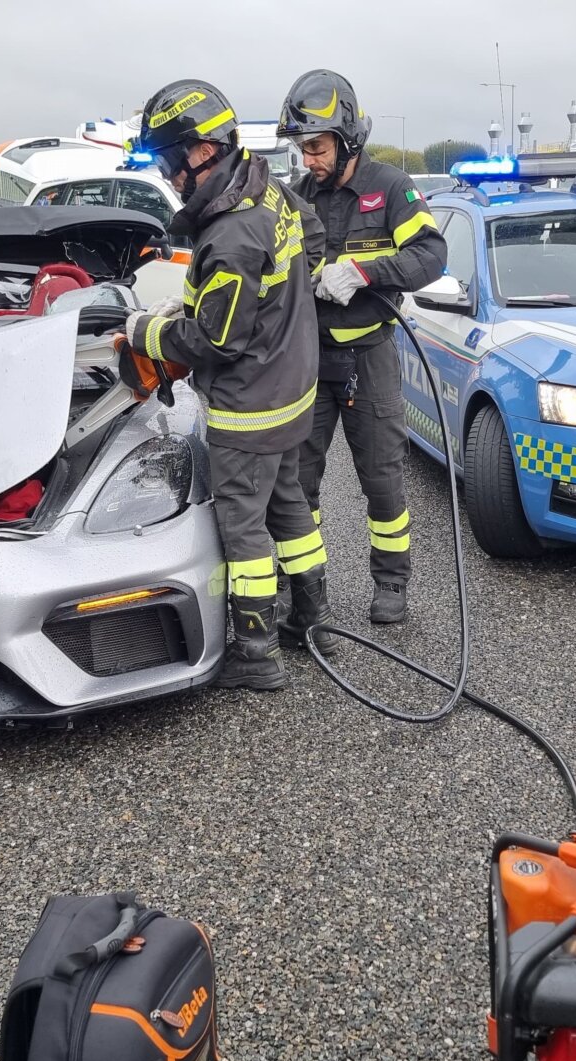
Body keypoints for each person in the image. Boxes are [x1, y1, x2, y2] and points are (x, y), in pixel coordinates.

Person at [123, 79, 335, 691]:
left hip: (251, 407)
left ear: (199, 153)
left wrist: (145, 332)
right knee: (289, 502)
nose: (168, 176)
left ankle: (256, 651)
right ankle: (313, 617)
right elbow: (312, 240)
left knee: (244, 526)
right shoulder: (271, 192)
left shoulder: (232, 235)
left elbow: (216, 342)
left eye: (168, 162)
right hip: (293, 386)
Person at [279, 70, 446, 625]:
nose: (309, 161)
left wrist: (365, 273)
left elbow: (431, 255)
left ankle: (392, 583)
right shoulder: (297, 196)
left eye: (318, 148)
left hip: (369, 359)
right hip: (308, 362)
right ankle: (308, 591)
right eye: (303, 149)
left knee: (382, 478)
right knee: (299, 483)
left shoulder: (391, 187)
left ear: (348, 137)